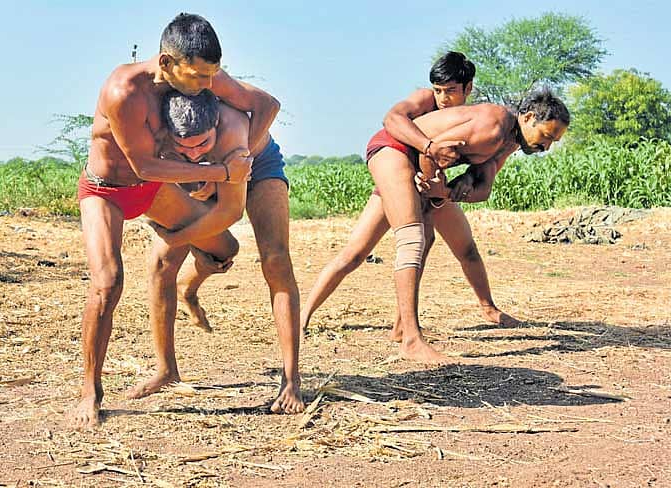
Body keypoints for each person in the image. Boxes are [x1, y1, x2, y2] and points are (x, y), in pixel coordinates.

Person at [71, 13, 283, 429]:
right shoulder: (123, 91)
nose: (210, 85)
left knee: (224, 247)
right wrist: (218, 174)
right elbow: (145, 165)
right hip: (107, 191)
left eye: (213, 74)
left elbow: (266, 106)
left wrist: (236, 158)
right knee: (108, 281)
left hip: (157, 187)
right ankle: (90, 391)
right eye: (200, 76)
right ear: (167, 63)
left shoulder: (202, 76)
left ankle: (189, 295)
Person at [301, 52, 519, 341]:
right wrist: (429, 148)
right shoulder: (424, 100)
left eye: (451, 91)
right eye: (439, 90)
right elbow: (392, 118)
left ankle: (486, 308)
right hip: (397, 164)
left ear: (469, 89)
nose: (443, 98)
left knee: (465, 247)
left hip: (423, 180)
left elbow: (481, 176)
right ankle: (303, 316)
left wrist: (443, 193)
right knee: (358, 253)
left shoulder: (478, 123)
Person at [123, 88, 304, 415]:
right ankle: (166, 370)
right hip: (198, 176)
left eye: (202, 144)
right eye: (184, 146)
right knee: (163, 262)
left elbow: (230, 212)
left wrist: (179, 237)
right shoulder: (160, 135)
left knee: (276, 261)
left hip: (256, 164)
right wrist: (197, 171)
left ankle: (291, 379)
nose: (193, 153)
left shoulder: (233, 131)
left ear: (217, 126)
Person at [363, 88, 569, 363]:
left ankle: (404, 328)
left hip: (418, 163)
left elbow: (484, 187)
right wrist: (434, 190)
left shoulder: (510, 140)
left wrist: (454, 188)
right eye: (546, 136)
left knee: (429, 242)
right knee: (411, 240)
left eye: (553, 141)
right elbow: (433, 148)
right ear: (529, 117)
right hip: (396, 149)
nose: (546, 147)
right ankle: (411, 340)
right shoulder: (494, 128)